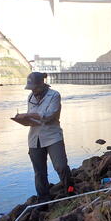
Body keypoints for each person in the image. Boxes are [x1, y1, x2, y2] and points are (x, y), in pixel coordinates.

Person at [18, 72, 73, 201]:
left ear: (42, 84)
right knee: (39, 172)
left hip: (53, 136)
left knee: (61, 166)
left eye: (35, 87)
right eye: (31, 88)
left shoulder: (54, 95)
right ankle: (43, 199)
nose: (33, 90)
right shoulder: (30, 97)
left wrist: (28, 116)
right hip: (34, 138)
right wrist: (24, 119)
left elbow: (49, 115)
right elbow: (32, 115)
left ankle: (70, 191)